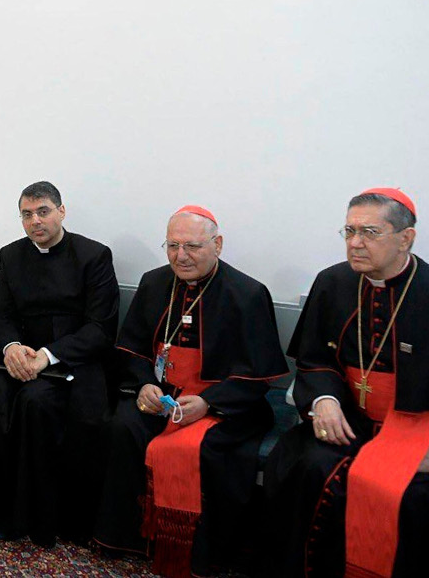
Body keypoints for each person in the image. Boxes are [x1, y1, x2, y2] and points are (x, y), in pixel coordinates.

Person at [263, 188, 429, 577]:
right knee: (306, 468)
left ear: (405, 238)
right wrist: (324, 399)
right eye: (349, 231)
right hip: (347, 422)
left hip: (418, 431)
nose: (355, 243)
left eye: (370, 232)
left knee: (414, 496)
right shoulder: (332, 283)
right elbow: (314, 359)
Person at [93, 205, 287, 577]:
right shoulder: (153, 283)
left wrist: (209, 402)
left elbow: (260, 375)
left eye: (193, 246)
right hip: (162, 395)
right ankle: (134, 538)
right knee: (123, 427)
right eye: (173, 245)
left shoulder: (247, 293)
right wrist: (145, 384)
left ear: (218, 244)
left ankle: (198, 552)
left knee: (208, 449)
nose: (181, 256)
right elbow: (131, 349)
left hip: (223, 403)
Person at [0, 181, 119, 547]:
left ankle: (42, 517)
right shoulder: (11, 255)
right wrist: (10, 348)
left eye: (43, 211)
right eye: (27, 214)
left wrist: (48, 356)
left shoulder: (94, 256)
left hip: (74, 358)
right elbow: (1, 315)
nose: (35, 221)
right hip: (20, 356)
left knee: (37, 402)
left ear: (61, 212)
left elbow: (101, 328)